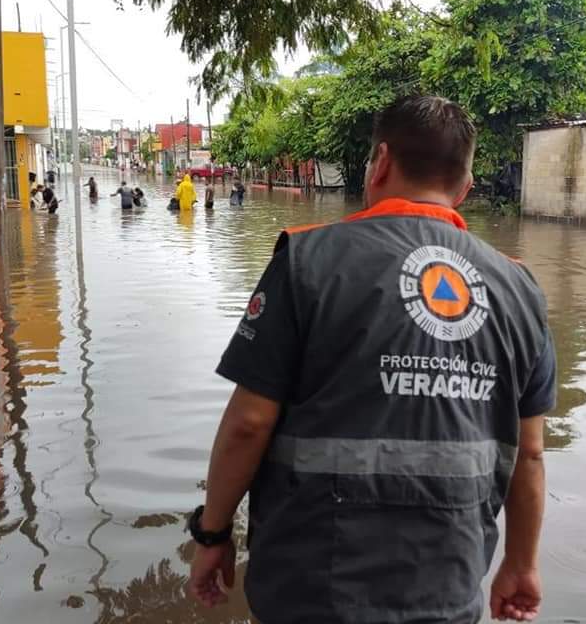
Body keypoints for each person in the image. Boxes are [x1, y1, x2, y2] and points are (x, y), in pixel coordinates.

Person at [188, 95, 556, 624]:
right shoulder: (521, 289)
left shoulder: (307, 261)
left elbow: (249, 424)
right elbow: (532, 455)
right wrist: (522, 564)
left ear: (380, 162)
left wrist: (213, 532)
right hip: (447, 587)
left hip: (309, 587)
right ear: (465, 188)